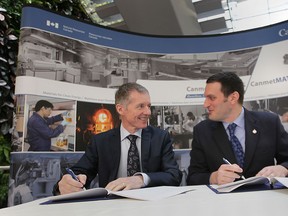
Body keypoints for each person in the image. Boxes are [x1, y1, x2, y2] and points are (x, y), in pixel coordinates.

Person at [54, 82, 182, 195]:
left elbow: (174, 176)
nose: (148, 112)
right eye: (141, 106)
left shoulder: (160, 137)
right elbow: (80, 172)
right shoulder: (100, 141)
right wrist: (66, 183)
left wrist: (140, 179)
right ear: (121, 109)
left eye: (149, 106)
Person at [187, 72, 288, 186]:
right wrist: (214, 177)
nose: (205, 104)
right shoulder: (202, 131)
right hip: (223, 202)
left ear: (233, 97)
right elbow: (193, 177)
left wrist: (283, 168)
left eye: (212, 98)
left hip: (265, 199)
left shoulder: (269, 123)